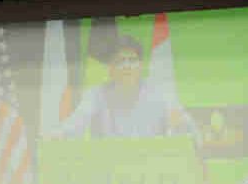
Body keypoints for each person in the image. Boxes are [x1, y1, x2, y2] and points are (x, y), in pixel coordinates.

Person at [56, 35, 195, 139]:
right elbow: (74, 125)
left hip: (151, 164)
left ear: (141, 66)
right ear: (110, 69)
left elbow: (190, 130)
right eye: (121, 61)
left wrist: (181, 124)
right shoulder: (95, 94)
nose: (127, 66)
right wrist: (56, 136)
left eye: (132, 60)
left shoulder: (160, 93)